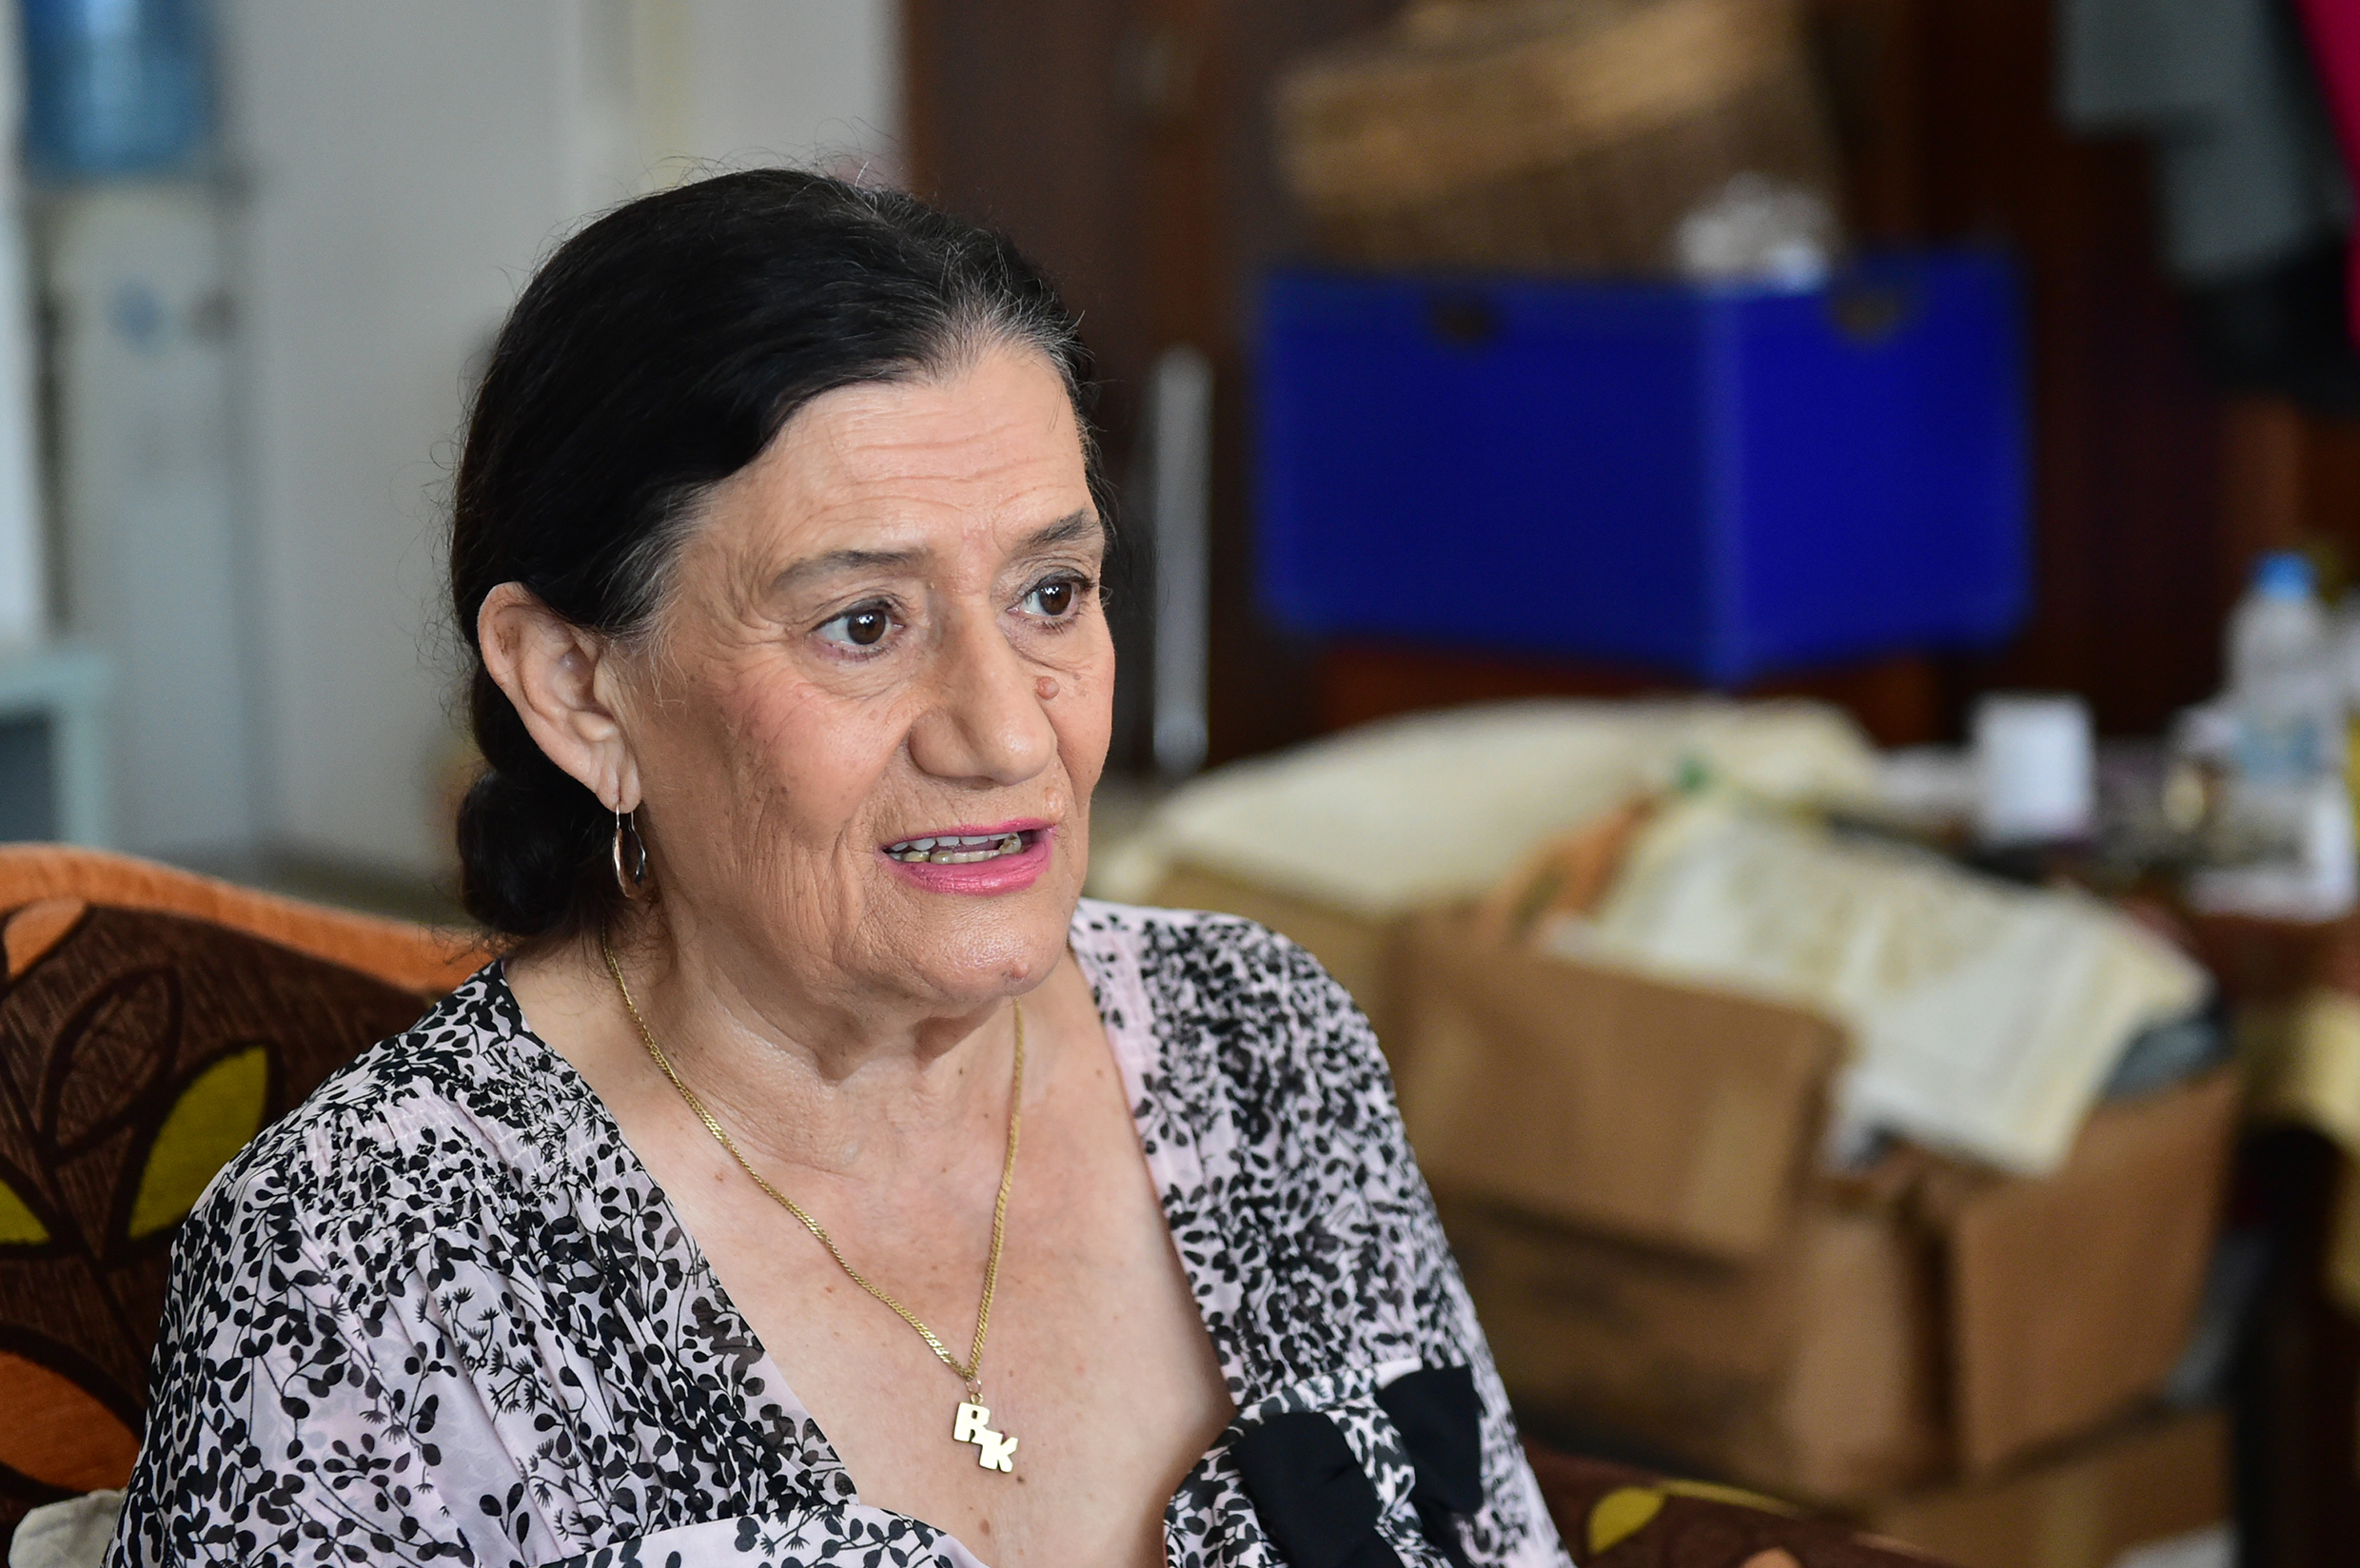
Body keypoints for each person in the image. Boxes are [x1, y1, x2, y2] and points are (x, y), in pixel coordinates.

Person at [109, 170, 1568, 1568]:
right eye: (864, 624)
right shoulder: (365, 1269)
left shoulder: (1256, 1042)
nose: (1011, 734)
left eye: (1051, 592)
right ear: (577, 689)